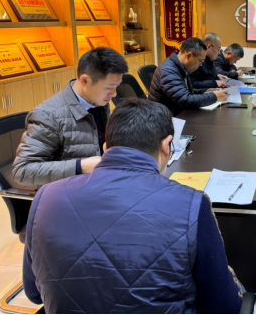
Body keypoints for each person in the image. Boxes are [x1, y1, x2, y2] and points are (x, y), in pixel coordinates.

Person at [23, 99, 244, 314]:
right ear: (166, 146)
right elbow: (223, 306)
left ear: (105, 148)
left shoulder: (45, 197)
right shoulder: (192, 204)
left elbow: (34, 293)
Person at [10, 47, 128, 191]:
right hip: (68, 193)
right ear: (85, 80)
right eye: (109, 87)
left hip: (98, 183)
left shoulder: (97, 101)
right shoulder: (48, 116)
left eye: (116, 86)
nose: (114, 94)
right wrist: (80, 166)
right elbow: (22, 171)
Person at [149, 38, 229, 116]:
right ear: (188, 56)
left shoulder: (180, 66)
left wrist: (204, 91)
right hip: (164, 118)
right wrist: (214, 96)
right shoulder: (168, 71)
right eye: (200, 61)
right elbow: (185, 100)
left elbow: (185, 91)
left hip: (177, 112)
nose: (200, 65)